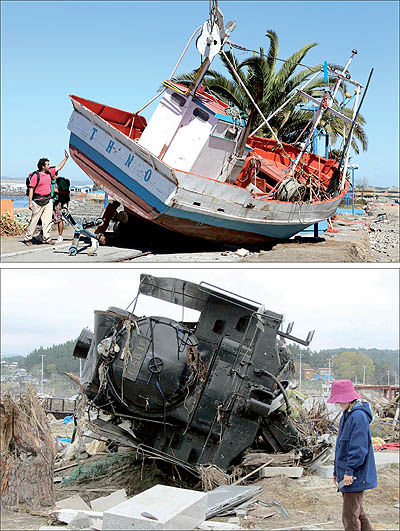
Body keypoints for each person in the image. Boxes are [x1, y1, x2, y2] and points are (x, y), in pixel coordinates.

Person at [327, 379, 377, 531]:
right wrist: (337, 471)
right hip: (347, 473)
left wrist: (349, 472)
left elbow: (358, 449)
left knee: (349, 515)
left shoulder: (358, 416)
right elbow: (342, 446)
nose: (338, 404)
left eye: (339, 401)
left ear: (347, 398)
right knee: (358, 511)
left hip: (355, 474)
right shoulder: (347, 414)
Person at [23, 150, 69, 245]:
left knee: (47, 221)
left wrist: (66, 158)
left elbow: (58, 167)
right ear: (43, 166)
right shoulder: (36, 176)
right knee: (34, 221)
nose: (49, 166)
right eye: (47, 164)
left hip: (48, 200)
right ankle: (28, 238)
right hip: (38, 201)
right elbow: (31, 189)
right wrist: (30, 203)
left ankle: (47, 238)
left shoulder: (49, 173)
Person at [52, 172, 71, 242]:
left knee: (59, 219)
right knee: (57, 219)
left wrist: (58, 191)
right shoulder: (53, 182)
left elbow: (67, 192)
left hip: (61, 202)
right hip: (56, 202)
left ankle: (60, 236)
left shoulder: (61, 181)